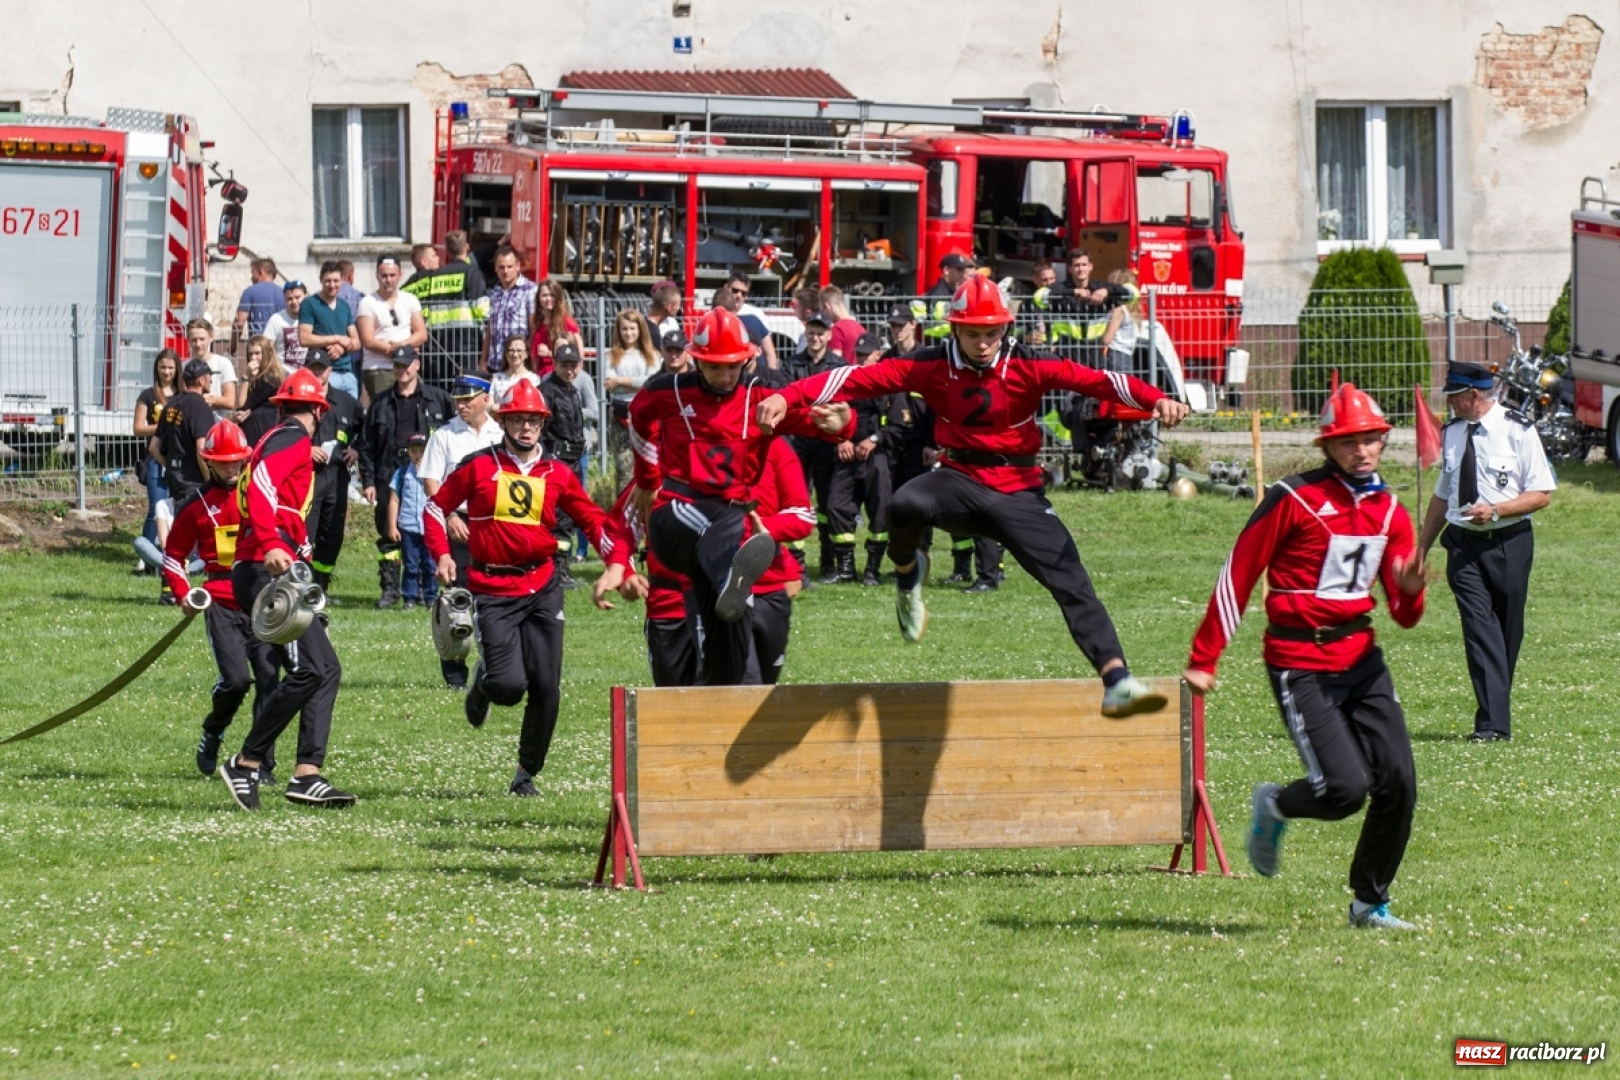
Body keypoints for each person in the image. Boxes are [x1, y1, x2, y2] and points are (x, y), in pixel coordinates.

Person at [758, 275, 1186, 718]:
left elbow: (1099, 381)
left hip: (1018, 490)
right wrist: (788, 398)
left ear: (1006, 328)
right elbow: (854, 379)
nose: (982, 344)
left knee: (1071, 580)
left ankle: (1117, 681)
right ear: (954, 329)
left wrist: (1156, 399)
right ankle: (908, 574)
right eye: (972, 334)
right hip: (958, 480)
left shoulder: (1031, 363)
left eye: (992, 333)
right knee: (903, 502)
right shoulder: (930, 363)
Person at [1184, 383, 1428, 931]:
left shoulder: (1391, 511)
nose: (1361, 451)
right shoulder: (1293, 498)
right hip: (1301, 662)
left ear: (1383, 442)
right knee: (1345, 791)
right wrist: (1206, 656)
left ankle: (1370, 903)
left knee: (1399, 783)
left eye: (1371, 440)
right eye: (1348, 442)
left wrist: (1410, 587)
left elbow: (1404, 613)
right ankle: (1275, 804)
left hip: (1362, 658)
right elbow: (1238, 573)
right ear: (1327, 446)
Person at [424, 380, 629, 796]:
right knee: (508, 687)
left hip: (542, 585)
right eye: (517, 419)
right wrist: (442, 553)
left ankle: (525, 774)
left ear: (543, 424)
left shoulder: (559, 474)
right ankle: (484, 682)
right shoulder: (478, 465)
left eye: (533, 420)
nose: (526, 427)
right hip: (492, 587)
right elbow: (434, 507)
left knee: (547, 686)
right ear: (503, 422)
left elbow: (594, 520)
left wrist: (617, 562)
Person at [628, 307, 852, 686]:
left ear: (747, 360)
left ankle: (726, 667)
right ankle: (734, 574)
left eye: (734, 366)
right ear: (697, 362)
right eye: (716, 367)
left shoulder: (761, 399)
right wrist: (648, 478)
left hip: (728, 531)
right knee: (726, 521)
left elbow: (819, 422)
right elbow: (636, 416)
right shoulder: (668, 390)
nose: (726, 375)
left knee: (730, 649)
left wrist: (841, 425)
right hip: (676, 515)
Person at [219, 368, 356, 810]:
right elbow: (261, 486)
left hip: (270, 568)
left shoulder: (274, 436)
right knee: (310, 670)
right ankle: (246, 763)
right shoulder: (293, 437)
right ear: (318, 411)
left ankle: (307, 774)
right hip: (266, 568)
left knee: (325, 667)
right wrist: (274, 542)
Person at [1417, 361, 1557, 743]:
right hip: (1462, 546)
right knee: (1479, 629)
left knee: (1507, 633)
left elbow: (1541, 494)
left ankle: (1495, 708)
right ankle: (1492, 726)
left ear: (1473, 395)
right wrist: (1422, 547)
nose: (1449, 403)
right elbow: (1442, 495)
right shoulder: (1452, 433)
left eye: (1454, 396)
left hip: (1510, 543)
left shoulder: (1518, 430)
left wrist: (1495, 510)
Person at [161, 420, 273, 779]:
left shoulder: (260, 495)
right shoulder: (194, 506)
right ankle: (214, 729)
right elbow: (173, 556)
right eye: (222, 461)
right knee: (238, 681)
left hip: (260, 600)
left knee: (271, 680)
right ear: (209, 462)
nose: (231, 467)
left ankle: (262, 764)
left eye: (237, 460)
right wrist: (184, 594)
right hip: (220, 601)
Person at [419, 371, 503, 690]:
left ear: (485, 398)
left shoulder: (499, 435)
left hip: (493, 525)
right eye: (458, 399)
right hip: (458, 524)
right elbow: (431, 481)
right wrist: (450, 514)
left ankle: (492, 666)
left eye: (467, 399)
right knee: (456, 600)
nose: (461, 405)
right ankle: (454, 673)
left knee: (492, 598)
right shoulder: (444, 435)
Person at [360, 345, 455, 609]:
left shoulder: (438, 399)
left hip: (429, 477)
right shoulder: (380, 403)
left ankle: (429, 591)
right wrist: (367, 481)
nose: (402, 370)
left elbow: (453, 435)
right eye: (398, 366)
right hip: (389, 475)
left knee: (429, 535)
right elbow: (366, 445)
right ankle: (391, 590)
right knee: (390, 536)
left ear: (417, 365)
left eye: (406, 365)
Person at [779, 312, 857, 583]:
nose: (815, 337)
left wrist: (843, 435)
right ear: (805, 334)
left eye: (820, 333)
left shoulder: (837, 365)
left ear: (828, 335)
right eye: (811, 332)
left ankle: (827, 562)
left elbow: (847, 403)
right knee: (795, 500)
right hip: (798, 443)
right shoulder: (791, 364)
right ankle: (796, 565)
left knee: (825, 502)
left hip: (825, 444)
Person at [848, 332, 909, 587]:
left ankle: (872, 568)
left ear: (877, 355)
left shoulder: (890, 383)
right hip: (846, 453)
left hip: (879, 454)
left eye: (866, 355)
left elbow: (899, 425)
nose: (861, 360)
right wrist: (841, 441)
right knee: (836, 508)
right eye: (858, 355)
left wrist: (873, 440)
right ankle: (843, 567)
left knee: (881, 512)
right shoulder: (846, 381)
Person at [304, 354, 363, 595]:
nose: (318, 374)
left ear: (330, 370)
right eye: (313, 369)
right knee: (306, 531)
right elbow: (284, 431)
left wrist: (356, 449)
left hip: (337, 475)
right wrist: (306, 449)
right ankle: (301, 585)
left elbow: (364, 430)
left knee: (332, 534)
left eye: (322, 369)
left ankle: (321, 586)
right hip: (308, 476)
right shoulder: (299, 400)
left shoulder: (346, 401)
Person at [402, 229, 489, 386]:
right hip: (466, 341)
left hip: (438, 340)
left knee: (441, 386)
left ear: (447, 251)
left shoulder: (437, 275)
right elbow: (482, 309)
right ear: (467, 247)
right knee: (465, 387)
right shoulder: (472, 273)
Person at [540, 342, 594, 582]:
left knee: (569, 515)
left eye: (573, 366)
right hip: (557, 460)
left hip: (574, 460)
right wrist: (547, 460)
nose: (569, 370)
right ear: (555, 364)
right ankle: (557, 569)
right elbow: (540, 429)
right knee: (558, 517)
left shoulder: (572, 390)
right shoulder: (547, 391)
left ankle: (562, 567)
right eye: (565, 365)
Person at [356, 254, 428, 405]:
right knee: (386, 409)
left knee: (419, 404)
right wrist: (399, 351)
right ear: (377, 275)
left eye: (392, 275)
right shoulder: (367, 303)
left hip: (407, 365)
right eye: (384, 275)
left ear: (400, 275)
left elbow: (421, 334)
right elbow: (368, 340)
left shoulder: (410, 299)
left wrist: (401, 347)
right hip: (379, 367)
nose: (388, 280)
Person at [605, 307, 660, 486]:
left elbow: (651, 382)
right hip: (619, 417)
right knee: (624, 469)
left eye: (632, 328)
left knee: (646, 465)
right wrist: (635, 384)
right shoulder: (612, 356)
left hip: (644, 416)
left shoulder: (651, 355)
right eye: (624, 329)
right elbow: (609, 385)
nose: (628, 333)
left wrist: (620, 380)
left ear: (640, 329)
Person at [133, 348, 180, 557]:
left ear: (177, 369)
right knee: (155, 507)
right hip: (155, 459)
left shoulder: (182, 395)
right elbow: (138, 428)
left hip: (179, 459)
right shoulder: (147, 395)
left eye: (171, 367)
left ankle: (173, 553)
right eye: (163, 367)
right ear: (156, 368)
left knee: (178, 508)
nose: (167, 372)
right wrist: (163, 426)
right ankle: (147, 556)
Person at [151, 359, 217, 505]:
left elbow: (154, 447)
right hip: (193, 482)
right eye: (209, 377)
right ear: (201, 380)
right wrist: (211, 484)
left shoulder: (171, 404)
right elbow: (202, 451)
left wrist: (170, 466)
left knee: (179, 523)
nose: (211, 381)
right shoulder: (200, 407)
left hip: (173, 478)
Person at [298, 262, 361, 402]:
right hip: (323, 373)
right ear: (321, 279)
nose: (332, 285)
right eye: (328, 281)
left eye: (336, 281)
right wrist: (337, 338)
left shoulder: (344, 306)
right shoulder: (309, 303)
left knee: (351, 419)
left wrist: (342, 348)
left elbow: (356, 342)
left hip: (347, 373)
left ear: (343, 280)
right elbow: (304, 338)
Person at [387, 433, 436, 611]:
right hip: (408, 526)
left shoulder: (434, 474)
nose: (418, 455)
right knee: (410, 565)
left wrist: (424, 477)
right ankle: (409, 597)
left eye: (422, 451)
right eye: (414, 451)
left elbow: (437, 496)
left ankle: (430, 597)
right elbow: (394, 500)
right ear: (408, 452)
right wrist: (392, 526)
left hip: (429, 527)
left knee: (430, 565)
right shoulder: (401, 474)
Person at [482, 245, 536, 375]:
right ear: (495, 268)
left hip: (517, 365)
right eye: (501, 267)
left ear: (518, 266)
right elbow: (490, 329)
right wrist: (483, 359)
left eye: (509, 266)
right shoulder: (495, 292)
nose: (505, 271)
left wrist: (525, 359)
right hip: (495, 365)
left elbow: (534, 328)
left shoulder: (530, 290)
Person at [721, 272, 779, 369]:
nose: (739, 295)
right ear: (726, 288)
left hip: (757, 375)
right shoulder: (717, 313)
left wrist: (772, 377)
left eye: (744, 293)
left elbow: (769, 352)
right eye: (735, 290)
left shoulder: (756, 314)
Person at [234, 336, 285, 445]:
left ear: (267, 353)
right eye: (250, 354)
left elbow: (241, 404)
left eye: (257, 353)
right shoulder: (260, 377)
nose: (253, 358)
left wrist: (245, 377)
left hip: (262, 432)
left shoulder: (269, 379)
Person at [185, 319, 238, 417]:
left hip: (216, 423)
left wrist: (206, 400)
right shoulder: (184, 365)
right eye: (194, 340)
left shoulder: (223, 363)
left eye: (202, 339)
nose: (198, 344)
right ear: (188, 339)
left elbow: (230, 401)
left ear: (211, 337)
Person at [531, 278, 582, 379]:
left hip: (560, 376)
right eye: (544, 295)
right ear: (539, 298)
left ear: (558, 297)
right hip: (540, 376)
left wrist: (549, 353)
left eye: (552, 295)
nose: (548, 299)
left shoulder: (567, 322)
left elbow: (579, 354)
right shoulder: (537, 322)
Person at [233, 257, 285, 347]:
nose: (251, 277)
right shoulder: (284, 293)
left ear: (261, 272)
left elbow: (239, 322)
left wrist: (232, 347)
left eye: (253, 273)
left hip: (257, 347)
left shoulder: (249, 292)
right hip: (279, 346)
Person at [263, 280, 309, 371]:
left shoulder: (313, 318)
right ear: (285, 300)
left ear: (306, 296)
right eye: (290, 299)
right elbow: (265, 348)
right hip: (283, 375)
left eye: (297, 297)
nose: (294, 301)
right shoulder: (276, 320)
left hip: (308, 374)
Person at [818, 285, 866, 362]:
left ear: (827, 307)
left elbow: (834, 363)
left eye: (822, 310)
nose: (823, 314)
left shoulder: (837, 330)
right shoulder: (861, 328)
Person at [490, 334, 540, 404]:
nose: (515, 354)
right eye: (511, 350)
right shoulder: (495, 379)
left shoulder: (535, 379)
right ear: (506, 354)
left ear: (526, 354)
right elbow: (489, 406)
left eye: (519, 350)